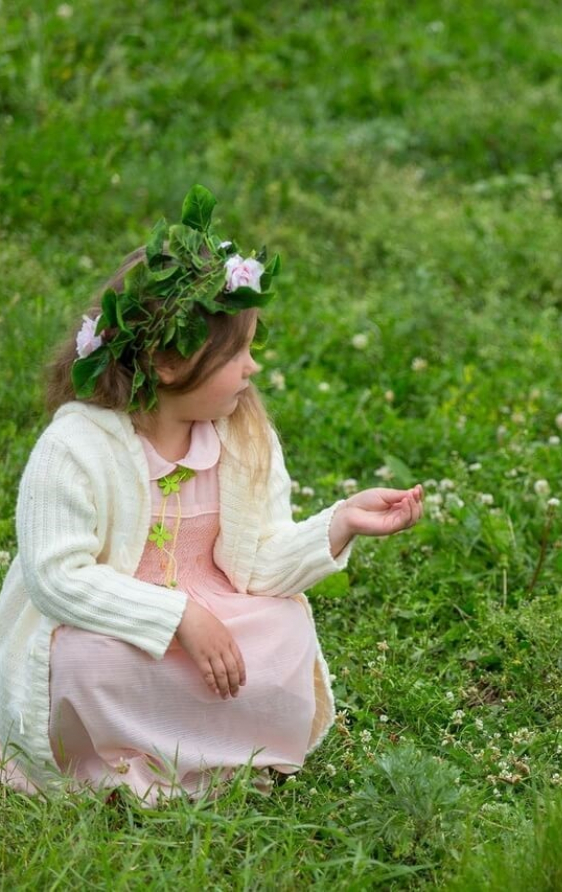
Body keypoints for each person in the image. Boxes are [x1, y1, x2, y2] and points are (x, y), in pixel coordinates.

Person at [0, 185, 424, 803]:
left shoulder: (244, 437)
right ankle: (115, 774)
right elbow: (56, 578)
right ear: (171, 365)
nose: (253, 368)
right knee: (88, 665)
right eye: (239, 352)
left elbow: (259, 561)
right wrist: (177, 617)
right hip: (111, 624)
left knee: (284, 631)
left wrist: (339, 524)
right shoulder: (77, 447)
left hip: (214, 614)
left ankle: (214, 758)